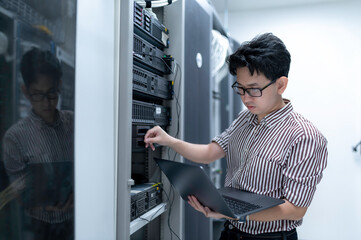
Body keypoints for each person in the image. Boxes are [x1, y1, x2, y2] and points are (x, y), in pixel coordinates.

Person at [144, 33, 328, 240]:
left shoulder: (304, 137)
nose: (245, 98)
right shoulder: (245, 118)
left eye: (253, 89)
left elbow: (295, 209)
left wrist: (237, 214)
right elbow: (209, 153)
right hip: (231, 233)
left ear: (280, 85)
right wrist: (169, 140)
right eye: (240, 88)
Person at [2, 48, 74, 240]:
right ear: (25, 91)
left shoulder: (74, 124)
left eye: (51, 93)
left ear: (59, 86)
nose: (46, 103)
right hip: (39, 228)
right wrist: (43, 203)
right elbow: (18, 193)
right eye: (37, 95)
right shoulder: (15, 137)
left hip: (77, 219)